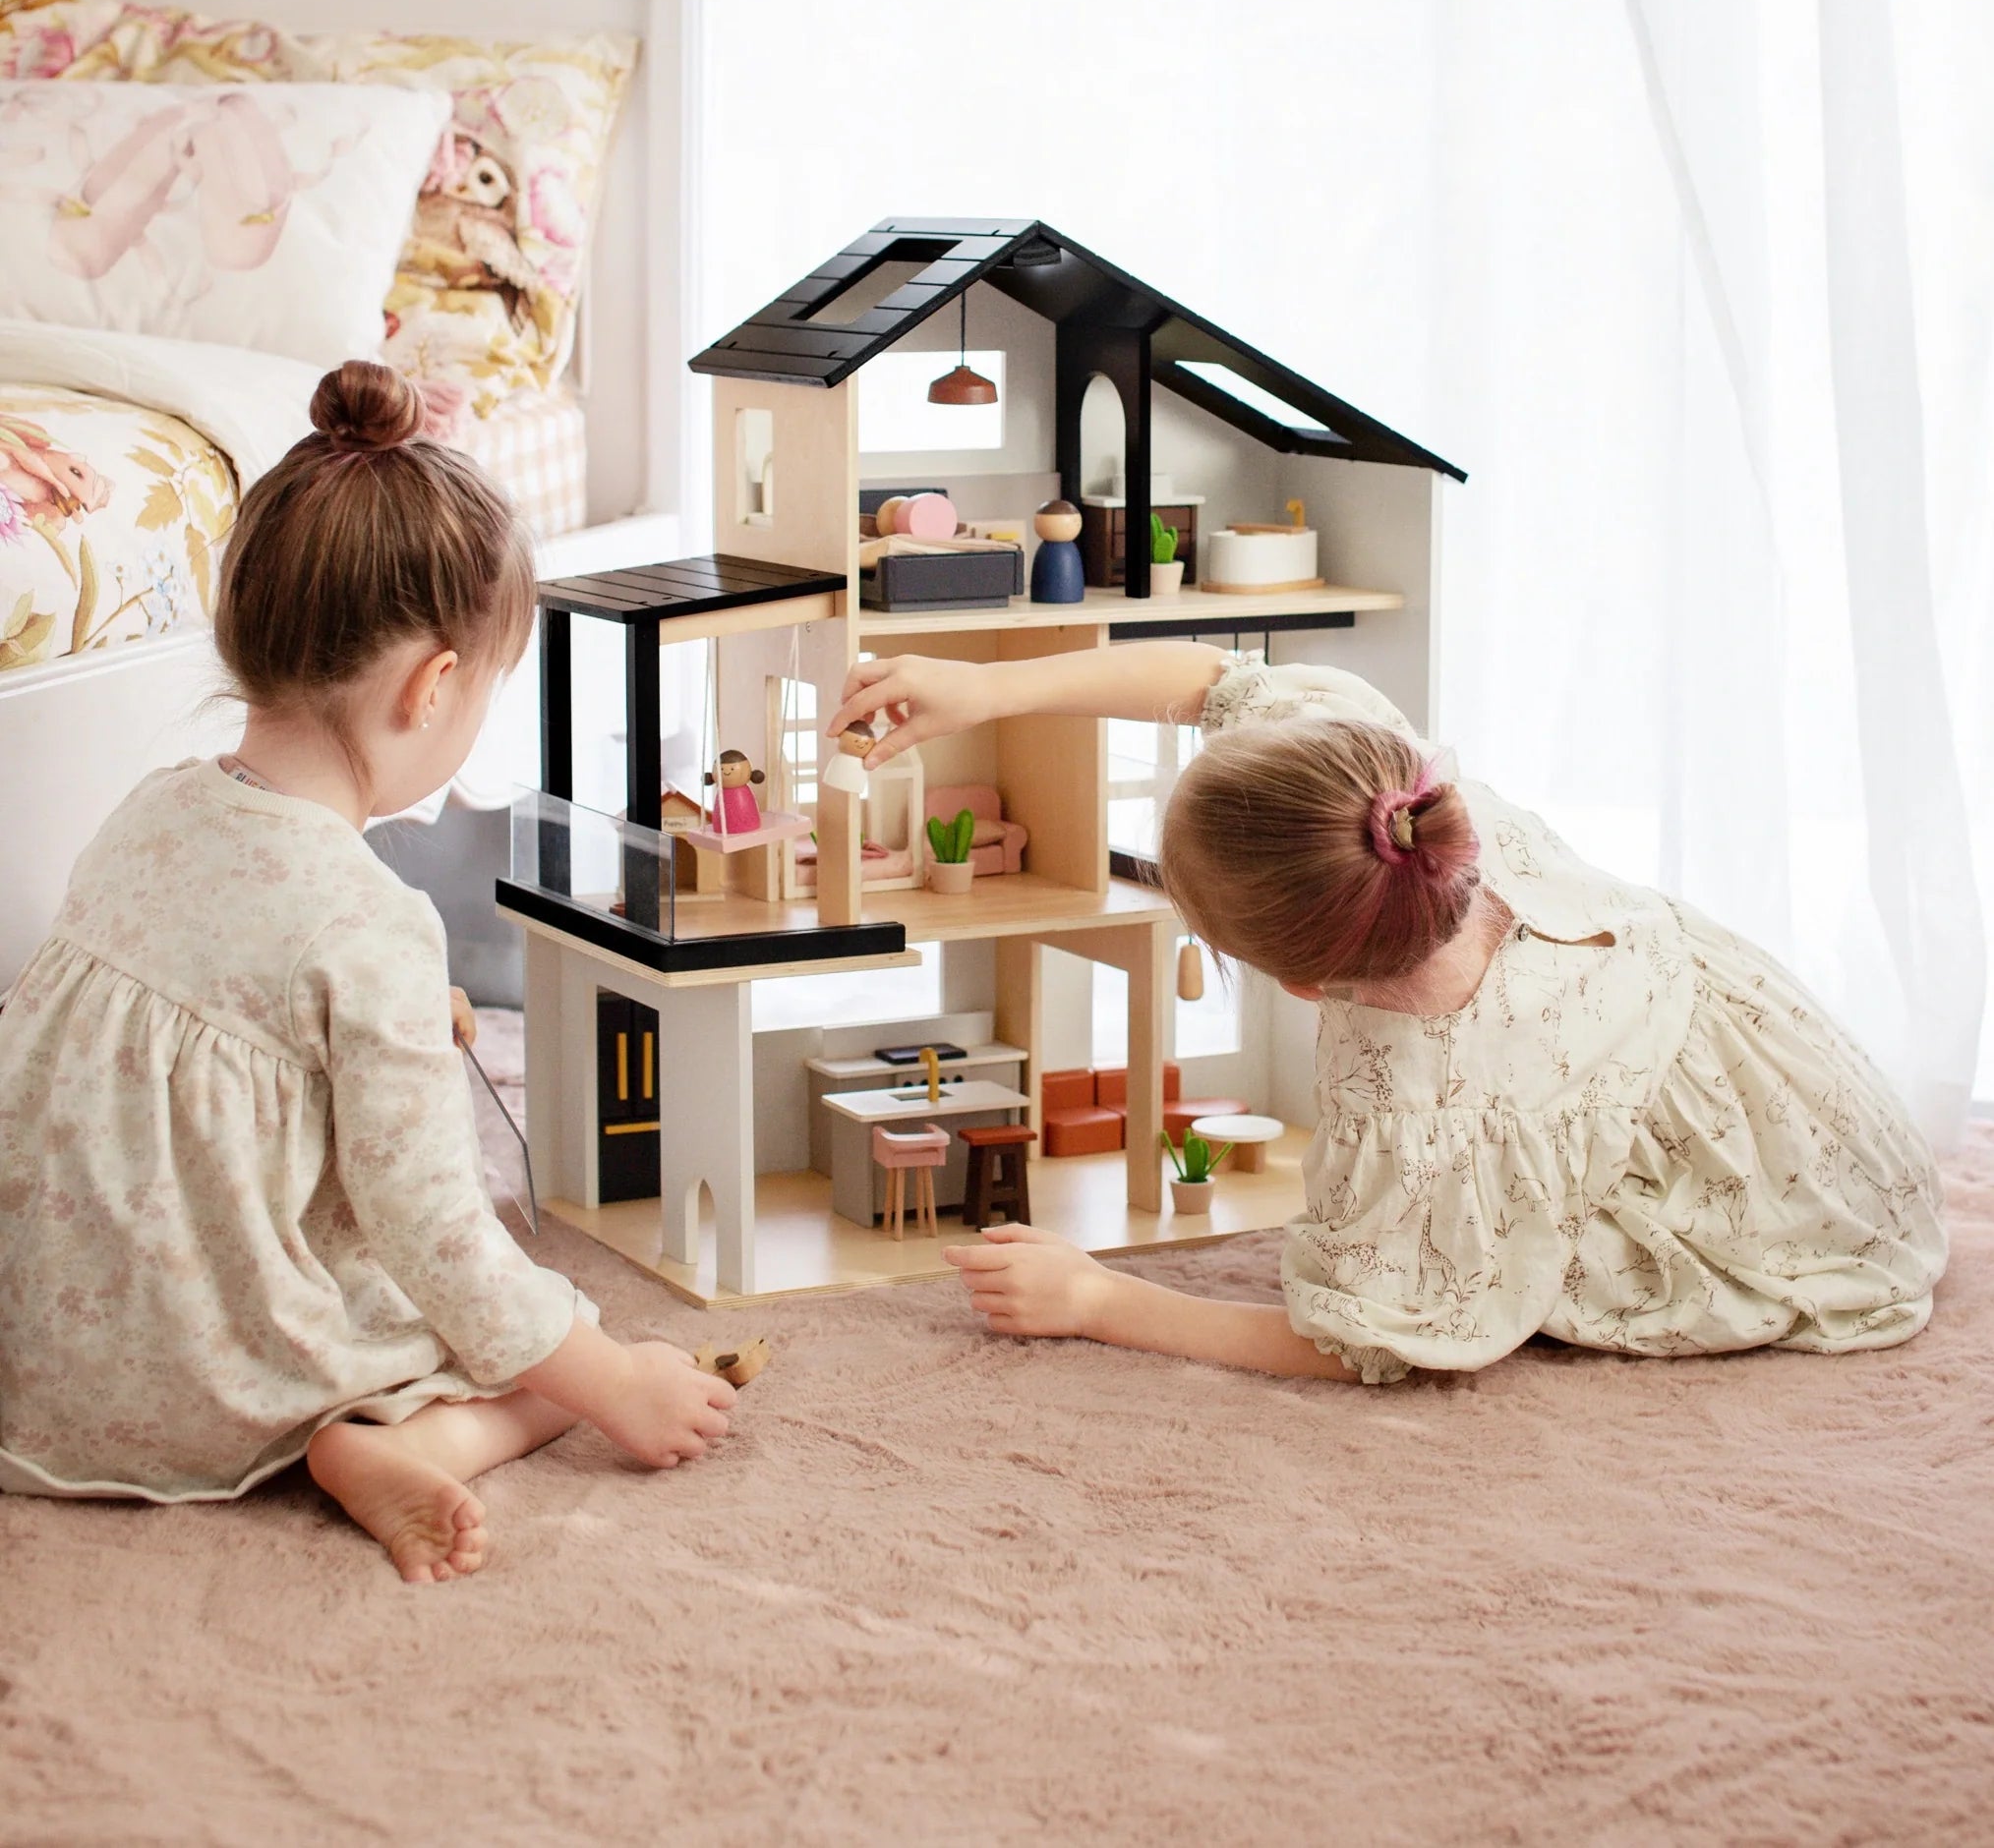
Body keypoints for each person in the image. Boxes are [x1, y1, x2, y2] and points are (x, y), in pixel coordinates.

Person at [0, 362, 734, 1579]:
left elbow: (217, 1002)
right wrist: (616, 1383)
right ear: (434, 685)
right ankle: (403, 1439)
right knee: (544, 1339)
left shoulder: (150, 809)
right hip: (201, 1378)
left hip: (29, 1349)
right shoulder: (374, 923)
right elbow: (436, 1232)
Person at [828, 642, 1947, 1384]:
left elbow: (1364, 1338)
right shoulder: (1383, 785)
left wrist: (1097, 1297)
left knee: (1485, 1270)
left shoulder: (1432, 1093)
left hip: (1796, 1226)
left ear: (1302, 984)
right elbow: (1213, 679)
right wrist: (989, 689)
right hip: (1800, 1087)